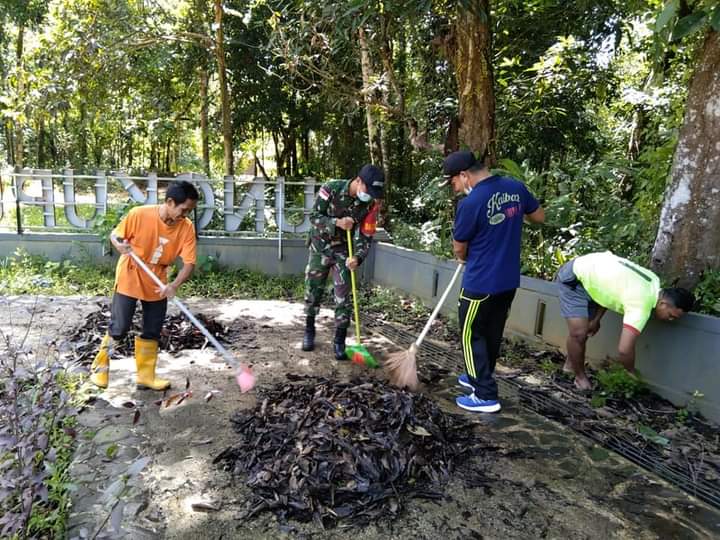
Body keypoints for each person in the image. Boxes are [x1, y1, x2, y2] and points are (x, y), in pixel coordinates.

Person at [445, 150, 545, 413]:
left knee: (470, 333)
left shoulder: (471, 203)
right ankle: (478, 375)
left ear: (464, 175)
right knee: (491, 332)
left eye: (453, 181)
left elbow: (459, 247)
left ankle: (484, 395)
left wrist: (463, 257)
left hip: (480, 282)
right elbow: (539, 217)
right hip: (508, 280)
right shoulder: (515, 188)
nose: (455, 187)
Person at [90, 180, 199, 391]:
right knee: (119, 328)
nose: (185, 215)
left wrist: (174, 285)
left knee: (152, 329)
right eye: (184, 209)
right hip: (130, 274)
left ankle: (146, 377)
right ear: (169, 202)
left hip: (157, 280)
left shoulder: (186, 227)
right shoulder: (139, 214)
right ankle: (99, 371)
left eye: (190, 211)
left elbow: (189, 262)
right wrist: (119, 245)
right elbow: (115, 235)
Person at [555, 251, 695, 390]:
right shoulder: (642, 304)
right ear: (663, 304)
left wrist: (597, 319)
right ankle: (580, 378)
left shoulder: (653, 281)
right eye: (671, 315)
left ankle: (570, 366)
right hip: (574, 279)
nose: (670, 319)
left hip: (593, 273)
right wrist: (630, 371)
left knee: (586, 328)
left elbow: (613, 290)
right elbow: (624, 349)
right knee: (578, 333)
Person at [302, 164, 384, 359]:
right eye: (368, 190)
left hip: (343, 252)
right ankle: (309, 330)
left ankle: (339, 341)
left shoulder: (370, 204)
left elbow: (366, 235)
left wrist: (358, 257)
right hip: (319, 247)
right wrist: (336, 222)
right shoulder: (331, 188)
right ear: (358, 181)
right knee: (313, 289)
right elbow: (314, 217)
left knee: (344, 295)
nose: (370, 195)